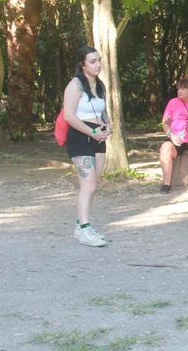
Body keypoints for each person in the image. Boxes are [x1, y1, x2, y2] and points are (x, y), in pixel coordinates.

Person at [63, 46, 112, 247]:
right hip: (80, 136)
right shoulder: (75, 86)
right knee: (88, 185)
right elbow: (69, 116)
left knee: (93, 186)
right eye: (92, 61)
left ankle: (81, 226)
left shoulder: (100, 85)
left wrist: (107, 127)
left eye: (99, 60)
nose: (98, 64)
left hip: (99, 137)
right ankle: (84, 229)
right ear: (82, 65)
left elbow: (104, 111)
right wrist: (92, 132)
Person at [158, 77, 188, 194]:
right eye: (179, 88)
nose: (179, 91)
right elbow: (165, 122)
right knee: (165, 148)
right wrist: (170, 135)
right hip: (176, 139)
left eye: (184, 88)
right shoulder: (172, 102)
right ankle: (166, 184)